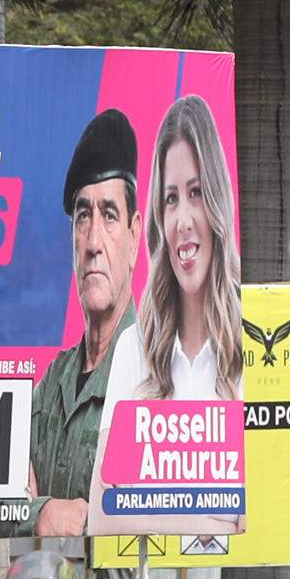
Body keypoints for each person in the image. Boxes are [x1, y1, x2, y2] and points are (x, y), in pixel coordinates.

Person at [0, 109, 141, 538]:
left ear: (135, 236)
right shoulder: (52, 384)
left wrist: (33, 505)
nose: (93, 243)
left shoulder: (156, 377)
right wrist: (43, 515)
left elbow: (164, 527)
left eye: (109, 215)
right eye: (83, 216)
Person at [90, 94, 245, 535]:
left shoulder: (252, 346)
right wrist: (213, 518)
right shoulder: (132, 350)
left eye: (196, 193)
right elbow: (102, 513)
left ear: (217, 201)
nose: (182, 219)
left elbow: (263, 512)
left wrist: (150, 510)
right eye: (171, 199)